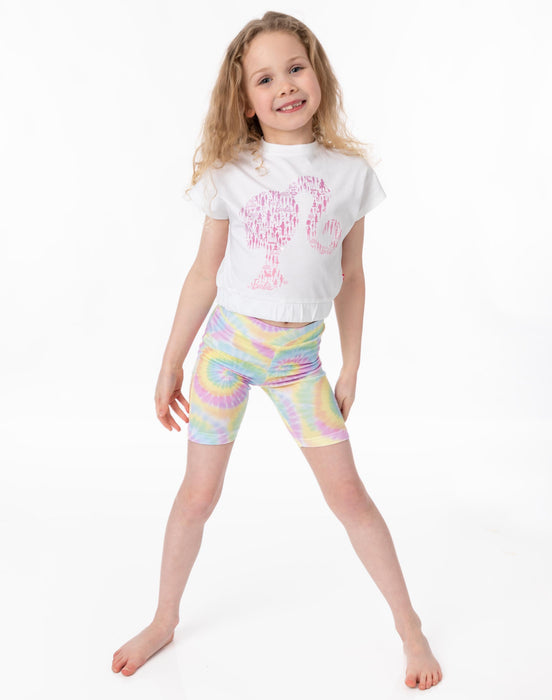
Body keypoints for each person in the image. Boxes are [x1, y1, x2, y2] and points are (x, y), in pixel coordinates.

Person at [111, 10, 443, 690]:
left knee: (349, 495)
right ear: (245, 101)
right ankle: (164, 618)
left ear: (318, 74)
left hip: (298, 362)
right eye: (265, 79)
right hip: (226, 353)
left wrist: (352, 363)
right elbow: (204, 274)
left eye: (295, 68)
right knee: (198, 494)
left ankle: (409, 626)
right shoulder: (230, 173)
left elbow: (351, 276)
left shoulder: (350, 174)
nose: (285, 86)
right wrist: (171, 361)